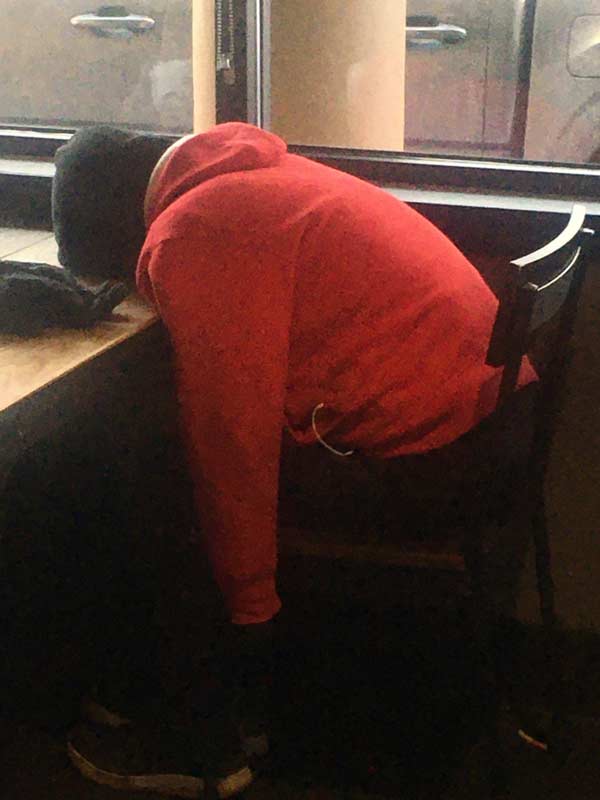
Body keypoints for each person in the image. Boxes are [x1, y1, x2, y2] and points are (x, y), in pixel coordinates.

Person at [51, 122, 537, 797]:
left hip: (440, 459)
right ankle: (163, 681)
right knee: (168, 460)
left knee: (172, 483)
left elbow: (232, 440)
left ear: (119, 231)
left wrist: (252, 609)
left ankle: (208, 739)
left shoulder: (196, 233)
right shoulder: (256, 179)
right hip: (486, 417)